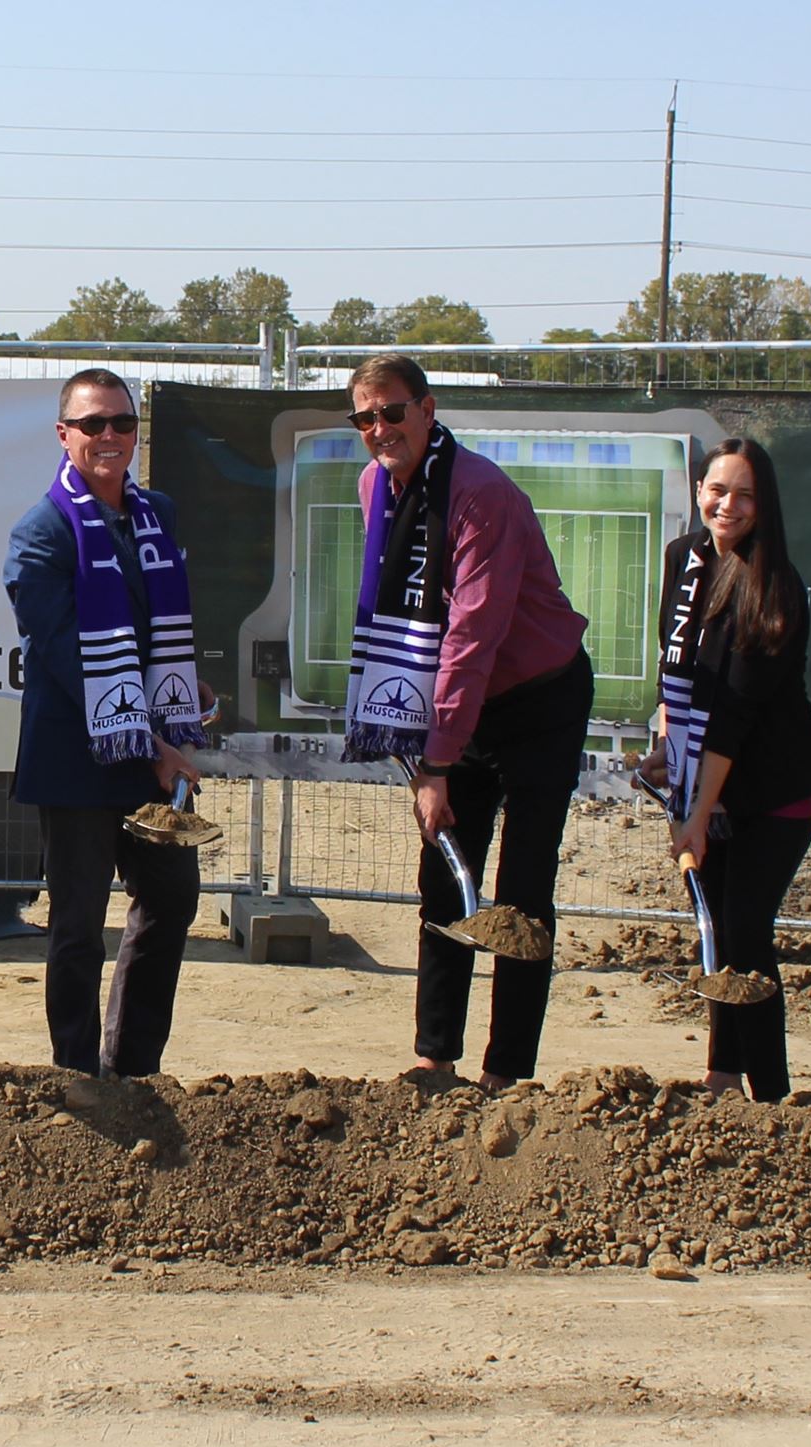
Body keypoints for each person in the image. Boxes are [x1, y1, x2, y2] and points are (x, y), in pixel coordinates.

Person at [338, 353, 592, 1092]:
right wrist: (421, 746)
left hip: (537, 697)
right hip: (460, 701)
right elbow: (399, 618)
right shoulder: (373, 486)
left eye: (392, 411)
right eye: (365, 416)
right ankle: (433, 1058)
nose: (380, 429)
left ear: (429, 409)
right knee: (443, 876)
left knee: (521, 889)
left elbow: (473, 634)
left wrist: (436, 762)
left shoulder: (482, 496)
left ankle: (507, 1073)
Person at [4, 368, 204, 1077]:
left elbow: (158, 628)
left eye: (122, 423)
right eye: (93, 425)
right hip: (77, 763)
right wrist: (152, 743)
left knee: (173, 901)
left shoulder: (160, 514)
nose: (110, 436)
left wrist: (182, 692)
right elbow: (65, 659)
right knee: (78, 928)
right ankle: (77, 1075)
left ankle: (134, 1068)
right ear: (65, 435)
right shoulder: (40, 532)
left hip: (153, 756)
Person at [639, 438, 811, 1101]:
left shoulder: (774, 589)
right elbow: (678, 673)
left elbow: (733, 719)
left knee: (746, 929)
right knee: (716, 926)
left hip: (777, 787)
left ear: (765, 505)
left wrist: (696, 814)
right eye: (718, 490)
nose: (729, 505)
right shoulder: (682, 561)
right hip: (709, 779)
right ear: (699, 492)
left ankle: (771, 1098)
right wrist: (667, 746)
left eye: (745, 494)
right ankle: (722, 1076)